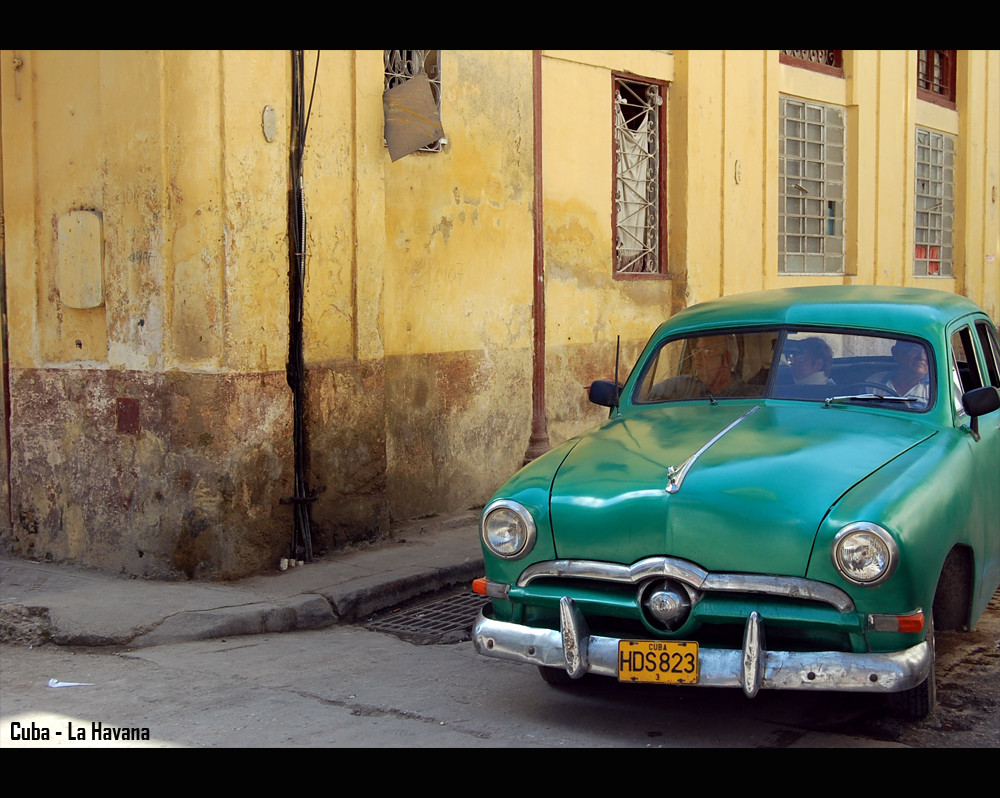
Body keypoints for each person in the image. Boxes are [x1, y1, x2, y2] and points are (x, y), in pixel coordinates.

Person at [647, 335, 751, 400]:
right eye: (696, 351)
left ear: (726, 359)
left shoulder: (748, 396)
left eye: (707, 351)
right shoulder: (682, 385)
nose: (697, 356)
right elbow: (645, 395)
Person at [868, 340, 930, 406]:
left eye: (927, 352)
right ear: (896, 353)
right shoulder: (874, 382)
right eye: (914, 350)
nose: (922, 357)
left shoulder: (936, 389)